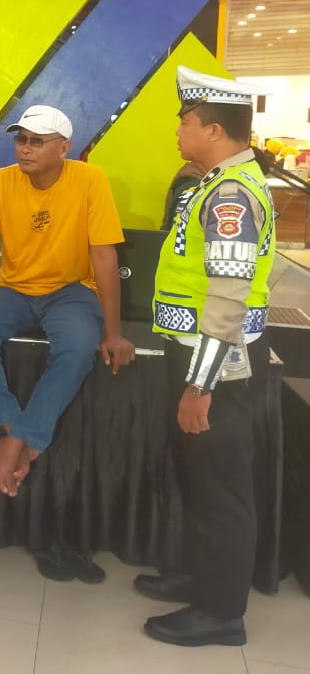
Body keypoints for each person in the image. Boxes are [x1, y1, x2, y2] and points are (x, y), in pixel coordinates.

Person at [0, 104, 135, 579]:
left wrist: (113, 331)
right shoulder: (1, 181)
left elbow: (104, 255)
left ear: (64, 148)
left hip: (72, 291)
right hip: (14, 290)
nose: (25, 148)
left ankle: (20, 440)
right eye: (21, 139)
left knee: (77, 349)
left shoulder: (90, 180)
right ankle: (10, 426)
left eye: (37, 141)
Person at [137, 67, 275, 648]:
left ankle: (221, 612)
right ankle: (203, 578)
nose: (178, 131)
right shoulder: (215, 182)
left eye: (186, 122)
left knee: (221, 488)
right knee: (199, 478)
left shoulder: (231, 195)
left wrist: (200, 386)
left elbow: (226, 298)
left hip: (217, 365)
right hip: (198, 354)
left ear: (214, 130)